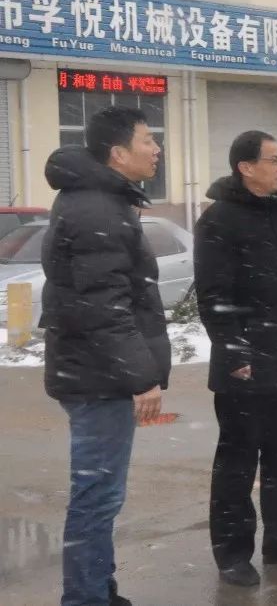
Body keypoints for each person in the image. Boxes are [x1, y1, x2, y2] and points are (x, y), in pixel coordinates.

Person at [41, 106, 169, 606]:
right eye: (146, 140)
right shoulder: (97, 208)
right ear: (117, 153)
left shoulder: (98, 201)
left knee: (99, 494)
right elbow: (104, 307)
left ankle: (98, 590)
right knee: (97, 497)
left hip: (92, 371)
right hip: (97, 377)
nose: (156, 148)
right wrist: (143, 377)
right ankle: (85, 598)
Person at [194, 131, 277, 587]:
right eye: (273, 160)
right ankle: (232, 554)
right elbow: (214, 295)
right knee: (237, 461)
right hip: (244, 361)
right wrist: (233, 350)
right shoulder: (219, 220)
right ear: (245, 167)